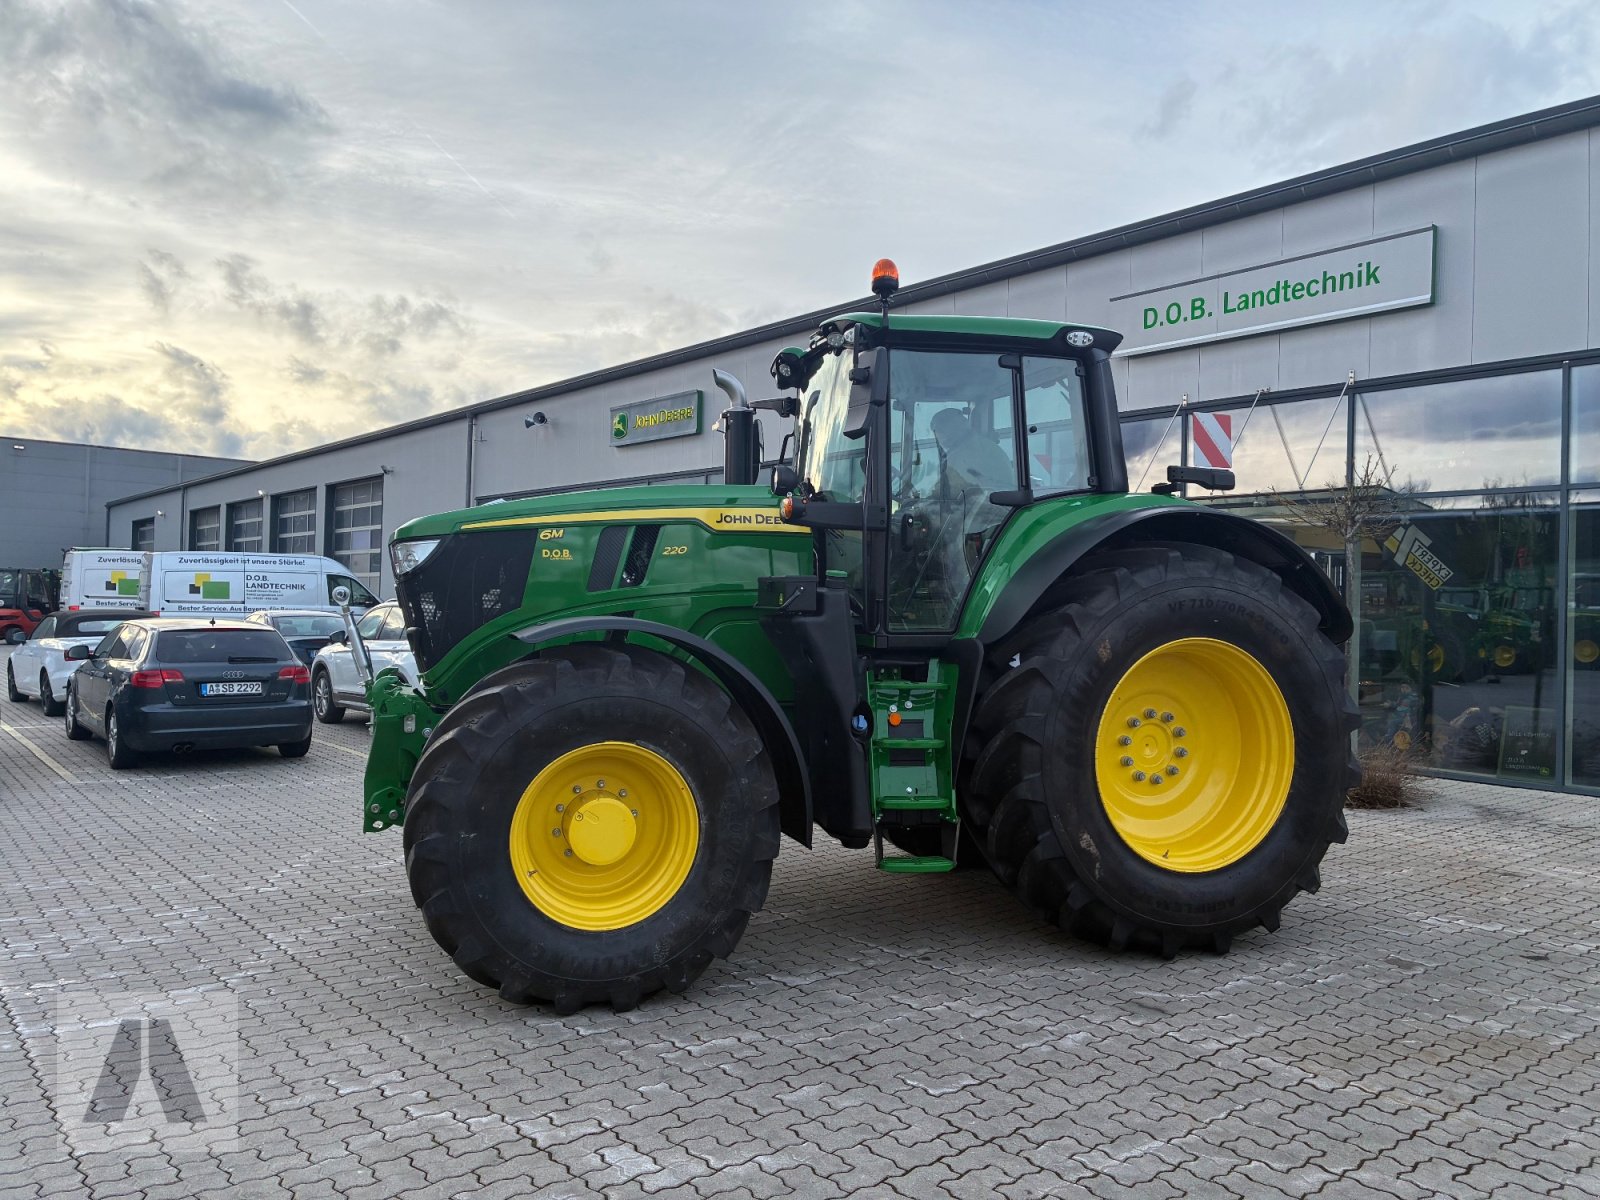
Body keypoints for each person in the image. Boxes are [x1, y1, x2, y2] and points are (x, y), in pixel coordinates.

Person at [929, 409, 1015, 494]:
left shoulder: (975, 452)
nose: (939, 437)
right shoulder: (974, 446)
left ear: (953, 429)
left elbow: (957, 489)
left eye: (940, 431)